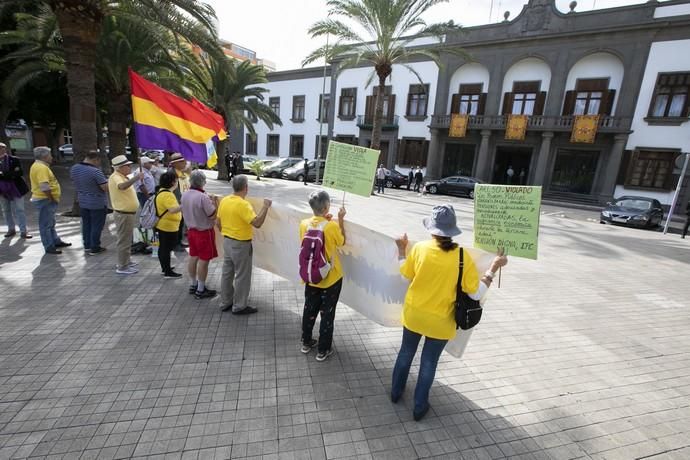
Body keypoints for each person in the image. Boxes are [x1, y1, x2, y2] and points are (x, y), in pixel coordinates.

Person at [392, 204, 508, 421]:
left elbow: (404, 276)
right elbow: (475, 294)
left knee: (405, 353)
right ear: (452, 230)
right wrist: (494, 267)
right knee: (428, 363)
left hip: (414, 315)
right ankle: (419, 406)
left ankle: (395, 393)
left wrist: (401, 249)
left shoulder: (419, 249)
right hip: (441, 322)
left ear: (432, 229)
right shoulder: (463, 257)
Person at [299, 190, 346, 362]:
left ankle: (306, 342)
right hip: (330, 278)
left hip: (311, 276)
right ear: (326, 207)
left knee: (309, 309)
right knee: (327, 314)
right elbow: (341, 242)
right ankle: (323, 349)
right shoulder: (331, 226)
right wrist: (340, 219)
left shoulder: (304, 224)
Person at [217, 174, 271, 315]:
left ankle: (225, 302)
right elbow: (257, 223)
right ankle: (239, 306)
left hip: (227, 241)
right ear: (246, 188)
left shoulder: (225, 200)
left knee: (227, 273)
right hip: (240, 244)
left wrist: (227, 232)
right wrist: (265, 207)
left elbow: (218, 222)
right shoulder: (243, 204)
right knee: (242, 275)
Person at [181, 170, 219, 297]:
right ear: (203, 182)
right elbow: (213, 215)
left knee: (193, 257)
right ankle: (201, 289)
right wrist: (215, 203)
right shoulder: (202, 197)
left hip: (191, 231)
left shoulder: (185, 194)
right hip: (204, 232)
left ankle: (193, 284)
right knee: (204, 260)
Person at [29, 146, 70, 254]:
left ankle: (55, 241)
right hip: (44, 200)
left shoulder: (39, 166)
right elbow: (44, 186)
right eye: (50, 155)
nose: (51, 157)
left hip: (44, 199)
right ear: (45, 156)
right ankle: (49, 246)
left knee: (50, 223)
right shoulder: (41, 168)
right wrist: (51, 198)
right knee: (46, 224)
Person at [108, 155, 143, 274]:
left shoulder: (122, 176)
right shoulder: (116, 177)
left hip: (128, 213)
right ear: (120, 167)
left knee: (127, 239)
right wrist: (136, 178)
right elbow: (121, 187)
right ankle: (122, 266)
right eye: (127, 166)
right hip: (123, 214)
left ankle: (126, 261)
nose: (129, 168)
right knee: (124, 240)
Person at [69, 150, 108, 255]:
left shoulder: (74, 168)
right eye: (99, 162)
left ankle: (87, 245)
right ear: (96, 159)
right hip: (96, 202)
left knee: (86, 224)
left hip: (83, 201)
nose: (99, 164)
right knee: (96, 225)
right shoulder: (95, 171)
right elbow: (104, 187)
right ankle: (95, 247)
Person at [155, 171, 183, 278]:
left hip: (165, 225)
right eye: (176, 181)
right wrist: (184, 204)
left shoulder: (162, 191)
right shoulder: (167, 195)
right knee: (166, 248)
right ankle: (167, 271)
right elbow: (172, 210)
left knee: (164, 248)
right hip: (168, 227)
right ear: (172, 182)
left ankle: (165, 267)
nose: (177, 183)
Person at [0, 142, 31, 239]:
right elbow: (14, 173)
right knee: (6, 210)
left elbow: (19, 172)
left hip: (16, 188)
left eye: (2, 148)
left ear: (5, 149)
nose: (1, 150)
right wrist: (10, 174)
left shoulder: (14, 159)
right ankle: (11, 229)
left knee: (20, 210)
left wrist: (3, 174)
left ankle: (23, 231)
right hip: (2, 190)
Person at [168, 153, 190, 251]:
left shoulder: (182, 172)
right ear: (175, 164)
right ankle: (175, 244)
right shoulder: (171, 174)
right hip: (176, 203)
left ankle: (180, 241)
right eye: (182, 161)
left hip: (183, 203)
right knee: (177, 224)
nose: (185, 163)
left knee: (181, 224)